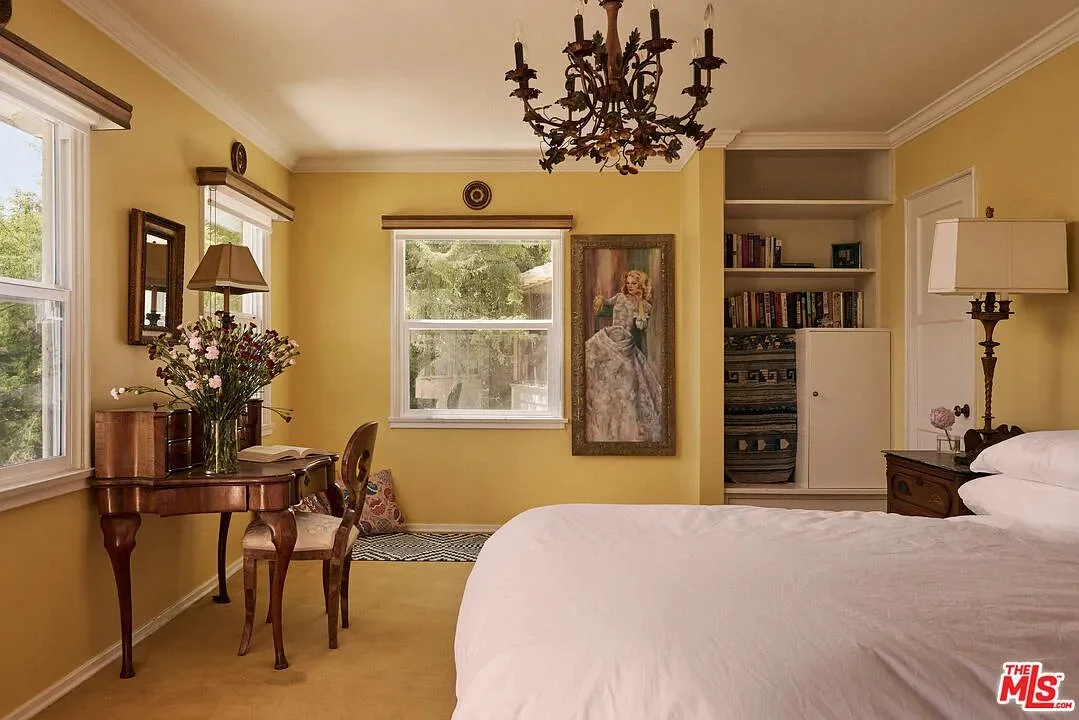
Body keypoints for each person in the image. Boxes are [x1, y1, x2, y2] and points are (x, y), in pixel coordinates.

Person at [585, 269, 663, 442]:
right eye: (628, 283)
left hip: (626, 341)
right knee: (590, 351)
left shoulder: (645, 305)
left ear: (641, 285)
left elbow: (641, 326)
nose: (630, 286)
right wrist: (601, 300)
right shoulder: (620, 297)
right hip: (612, 334)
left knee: (626, 378)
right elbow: (606, 304)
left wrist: (640, 303)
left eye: (634, 283)